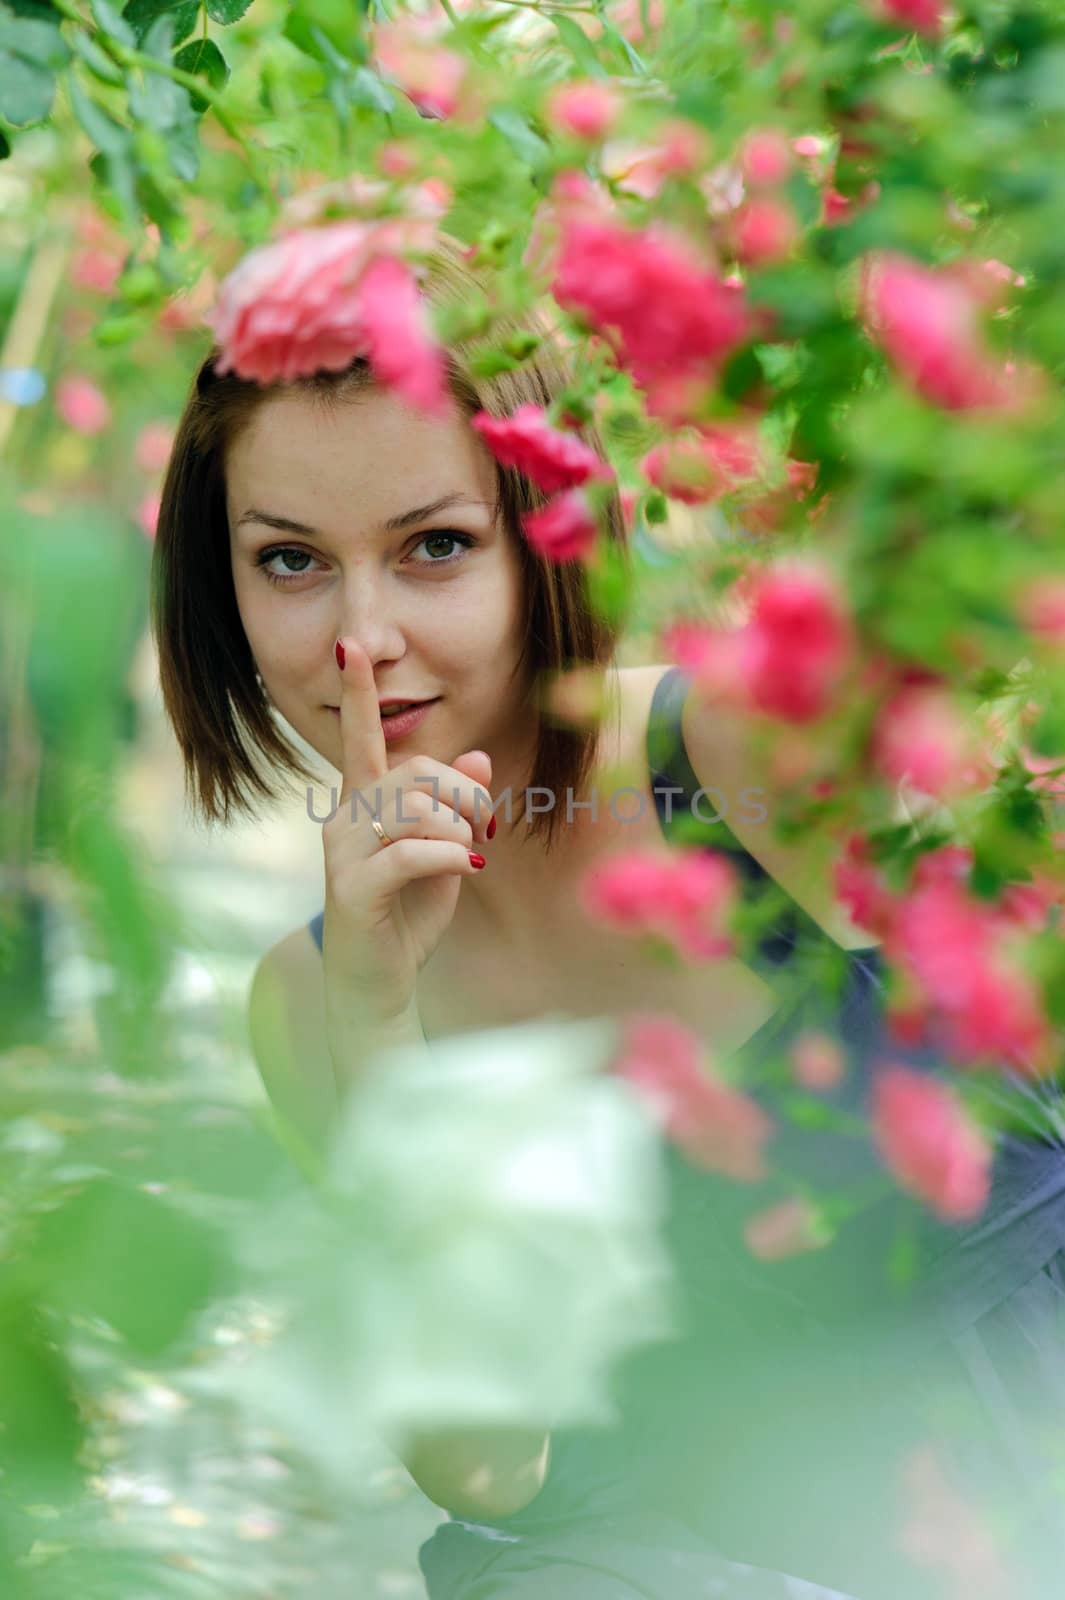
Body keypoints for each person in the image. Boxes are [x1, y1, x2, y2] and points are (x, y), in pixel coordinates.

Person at [150, 234, 1065, 1599]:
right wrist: (382, 1016)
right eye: (290, 562)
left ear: (547, 544)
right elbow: (481, 1467)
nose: (359, 638)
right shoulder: (312, 1001)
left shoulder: (764, 765)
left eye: (434, 548)